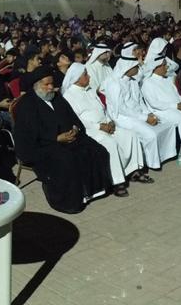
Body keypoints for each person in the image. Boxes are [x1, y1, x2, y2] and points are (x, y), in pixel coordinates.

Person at [12, 68, 115, 214]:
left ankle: (93, 190)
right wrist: (56, 138)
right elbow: (30, 134)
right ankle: (69, 202)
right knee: (67, 159)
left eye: (52, 84)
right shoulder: (26, 105)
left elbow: (72, 117)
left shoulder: (56, 97)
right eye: (46, 85)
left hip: (67, 138)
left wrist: (75, 129)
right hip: (42, 145)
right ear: (36, 85)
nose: (50, 88)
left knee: (97, 150)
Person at [61, 62, 147, 194]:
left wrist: (109, 121)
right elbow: (76, 120)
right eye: (85, 75)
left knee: (130, 134)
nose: (89, 77)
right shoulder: (69, 96)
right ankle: (117, 182)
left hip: (105, 124)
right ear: (77, 78)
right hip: (89, 130)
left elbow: (102, 108)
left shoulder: (90, 89)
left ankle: (133, 170)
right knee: (110, 142)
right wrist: (99, 126)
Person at [101, 55, 176, 172]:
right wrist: (144, 118)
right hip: (123, 118)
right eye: (136, 66)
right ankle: (152, 163)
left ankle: (165, 155)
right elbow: (121, 109)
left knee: (168, 124)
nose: (138, 69)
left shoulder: (133, 81)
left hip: (138, 114)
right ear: (127, 68)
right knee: (150, 134)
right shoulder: (114, 84)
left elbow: (140, 101)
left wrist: (149, 114)